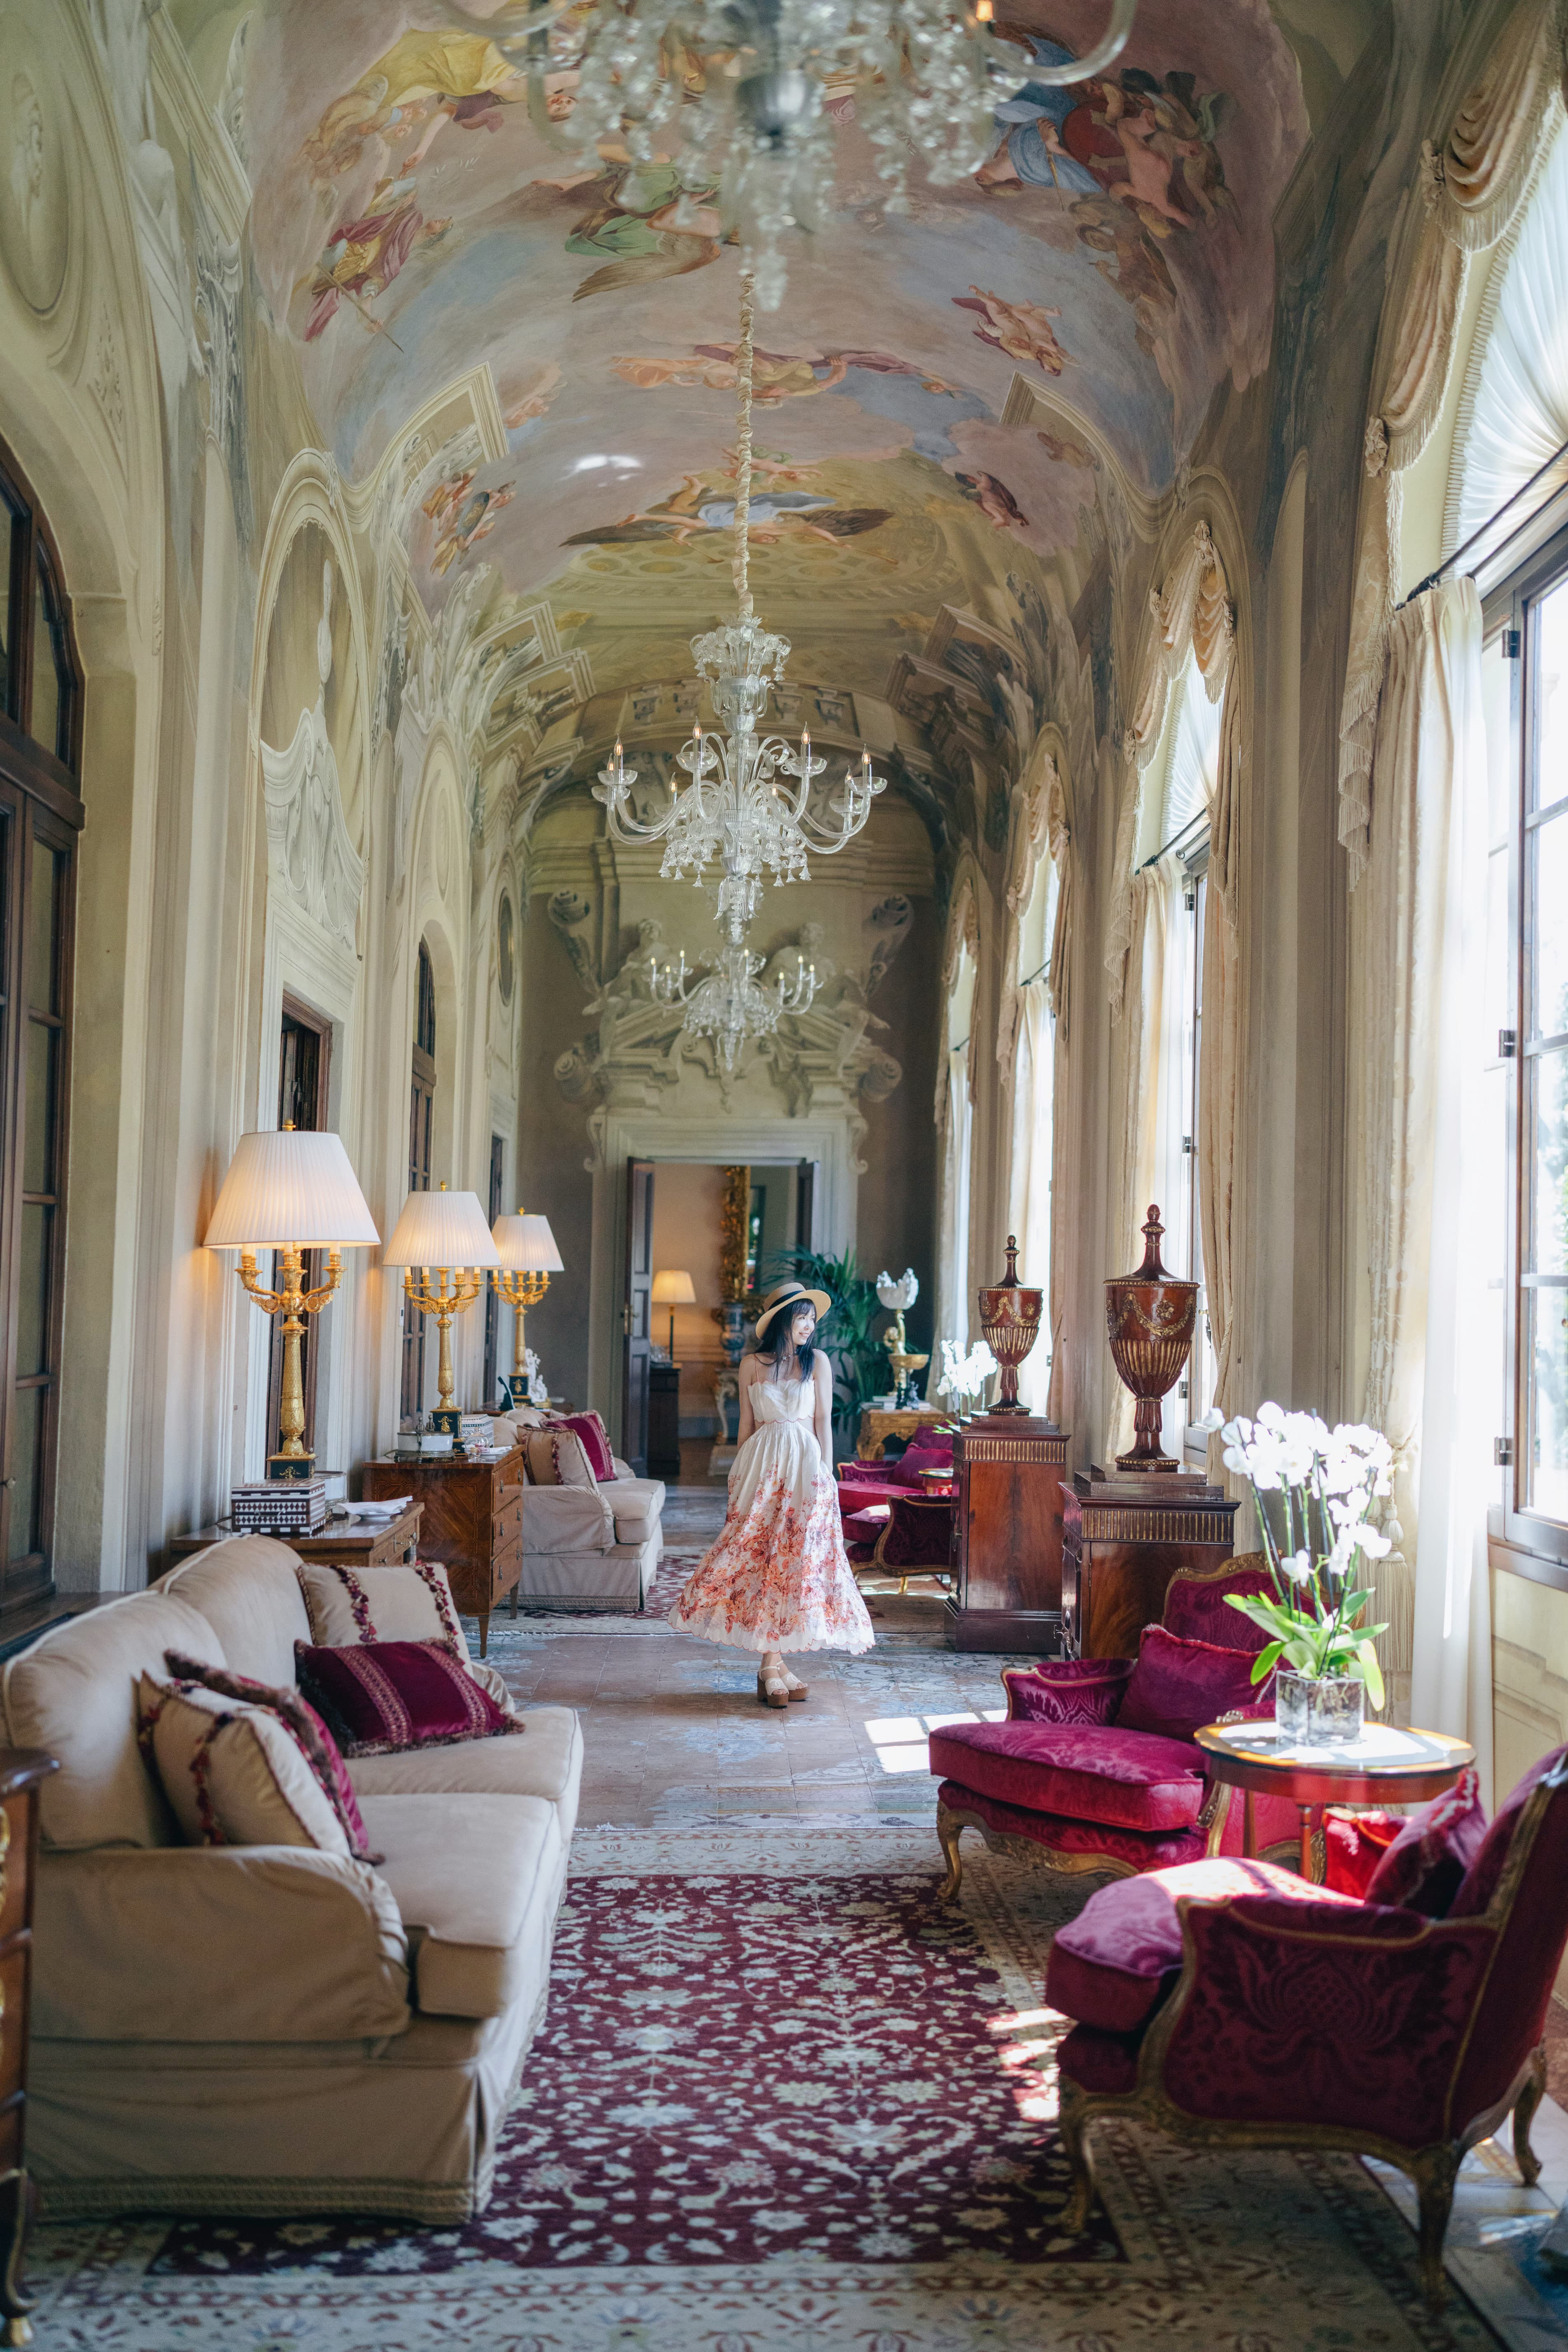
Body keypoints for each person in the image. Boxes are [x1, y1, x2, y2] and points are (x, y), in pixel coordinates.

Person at [668, 1281, 874, 1703]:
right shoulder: (750, 1365)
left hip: (804, 1467)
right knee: (757, 1558)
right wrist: (736, 1478)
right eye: (802, 1318)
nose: (810, 1326)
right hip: (760, 1467)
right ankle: (774, 1667)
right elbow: (745, 1426)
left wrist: (826, 1477)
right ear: (783, 1319)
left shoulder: (817, 1361)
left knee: (794, 1562)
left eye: (813, 1319)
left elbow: (822, 1422)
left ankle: (770, 1666)